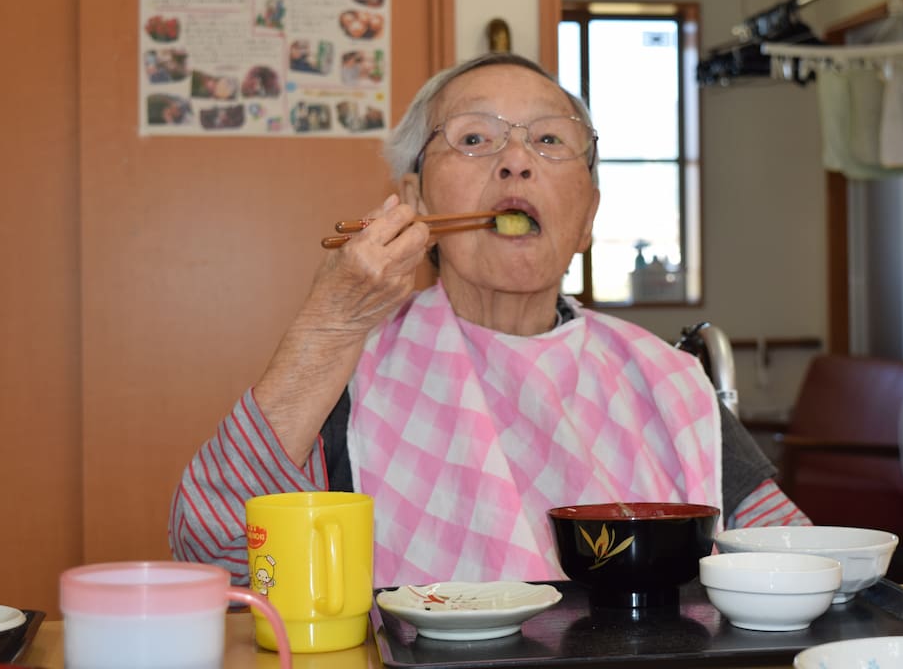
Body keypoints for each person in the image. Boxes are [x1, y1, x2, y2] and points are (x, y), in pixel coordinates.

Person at [169, 52, 809, 588]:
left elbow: (795, 563)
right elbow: (220, 556)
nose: (516, 161)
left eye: (550, 140)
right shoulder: (351, 371)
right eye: (474, 139)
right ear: (415, 200)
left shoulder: (666, 380)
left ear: (588, 216)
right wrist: (331, 324)